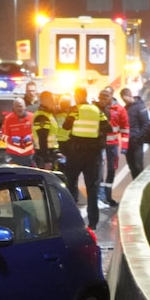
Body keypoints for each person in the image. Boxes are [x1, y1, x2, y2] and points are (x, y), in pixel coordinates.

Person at [60, 87, 106, 227]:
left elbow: (66, 126)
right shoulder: (96, 110)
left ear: (78, 96)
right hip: (93, 154)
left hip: (76, 152)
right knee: (92, 188)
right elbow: (107, 127)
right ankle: (93, 222)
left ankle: (72, 220)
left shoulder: (75, 110)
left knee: (71, 184)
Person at [98, 86, 128, 208]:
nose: (103, 99)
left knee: (111, 170)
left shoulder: (119, 110)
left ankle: (108, 196)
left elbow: (125, 128)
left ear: (111, 96)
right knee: (98, 170)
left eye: (106, 96)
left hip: (112, 145)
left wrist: (124, 146)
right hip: (99, 144)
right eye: (102, 96)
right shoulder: (96, 108)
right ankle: (101, 197)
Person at [121, 86, 150, 179]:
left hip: (136, 141)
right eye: (123, 100)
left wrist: (138, 136)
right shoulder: (125, 109)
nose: (124, 101)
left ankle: (140, 185)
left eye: (125, 99)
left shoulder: (140, 107)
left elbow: (146, 123)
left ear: (129, 95)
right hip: (127, 141)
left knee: (138, 165)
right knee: (132, 166)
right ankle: (135, 183)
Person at [31, 91, 61, 170]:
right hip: (44, 155)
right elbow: (42, 140)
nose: (54, 102)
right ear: (45, 101)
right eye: (52, 100)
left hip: (49, 153)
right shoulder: (42, 116)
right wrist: (47, 161)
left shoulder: (48, 115)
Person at [0, 97, 35, 166]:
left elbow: (37, 134)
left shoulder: (32, 117)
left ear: (25, 107)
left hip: (29, 153)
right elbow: (3, 136)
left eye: (20, 106)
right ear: (14, 108)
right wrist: (11, 139)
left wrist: (31, 137)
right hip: (13, 154)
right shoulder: (8, 119)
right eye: (16, 106)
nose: (19, 109)